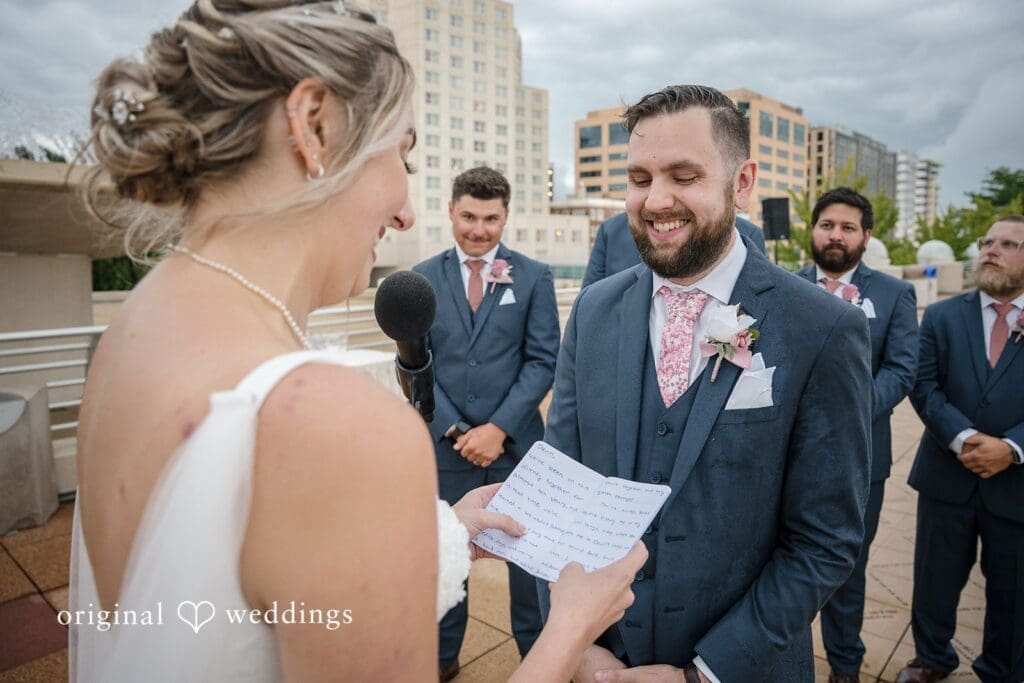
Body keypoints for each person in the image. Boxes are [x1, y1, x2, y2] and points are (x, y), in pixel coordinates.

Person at [69, 2, 645, 681]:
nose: (405, 206)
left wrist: (445, 534)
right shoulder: (334, 422)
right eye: (400, 152)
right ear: (314, 127)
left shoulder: (136, 326)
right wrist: (574, 628)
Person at [540, 84, 873, 683]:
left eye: (683, 175)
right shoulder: (592, 311)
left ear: (742, 183)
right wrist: (572, 648)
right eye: (639, 178)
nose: (656, 200)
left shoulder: (824, 328)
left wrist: (702, 674)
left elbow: (825, 542)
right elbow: (559, 500)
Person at [412, 165, 560, 679]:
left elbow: (544, 359)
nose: (478, 229)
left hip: (516, 450)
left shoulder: (535, 276)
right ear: (451, 211)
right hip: (446, 450)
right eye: (469, 216)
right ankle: (441, 660)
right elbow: (415, 364)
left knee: (526, 565)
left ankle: (536, 659)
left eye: (490, 218)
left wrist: (498, 429)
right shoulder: (421, 279)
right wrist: (455, 430)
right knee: (448, 555)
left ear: (506, 217)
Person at [794, 187, 919, 683]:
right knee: (781, 563)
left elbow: (903, 370)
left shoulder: (893, 294)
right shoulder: (784, 285)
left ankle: (844, 667)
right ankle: (784, 659)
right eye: (827, 224)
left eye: (848, 227)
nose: (836, 235)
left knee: (847, 567)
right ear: (813, 229)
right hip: (787, 457)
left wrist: (848, 412)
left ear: (866, 236)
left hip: (861, 460)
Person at [896, 217, 1024, 683]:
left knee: (1013, 588)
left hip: (1015, 483)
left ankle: (1001, 668)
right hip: (946, 475)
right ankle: (931, 658)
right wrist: (962, 437)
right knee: (934, 578)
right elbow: (923, 383)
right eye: (987, 242)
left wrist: (1012, 447)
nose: (991, 250)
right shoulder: (945, 315)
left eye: (1008, 244)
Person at [581, 212, 766, 288]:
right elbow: (588, 309)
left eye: (685, 178)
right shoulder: (610, 230)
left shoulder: (748, 235)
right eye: (641, 180)